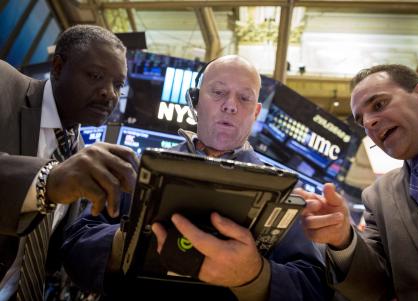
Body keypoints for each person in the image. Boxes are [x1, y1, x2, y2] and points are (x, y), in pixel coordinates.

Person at [62, 55, 332, 301]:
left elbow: (313, 287)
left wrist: (255, 276)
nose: (230, 106)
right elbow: (75, 251)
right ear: (195, 99)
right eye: (218, 92)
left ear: (256, 112)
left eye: (244, 98)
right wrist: (128, 241)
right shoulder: (138, 169)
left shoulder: (283, 193)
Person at [0, 24, 138, 301]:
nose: (109, 93)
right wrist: (48, 181)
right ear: (59, 67)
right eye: (96, 76)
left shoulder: (79, 154)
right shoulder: (4, 84)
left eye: (118, 84)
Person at [298, 64, 418, 300]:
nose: (369, 123)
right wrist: (342, 239)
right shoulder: (378, 197)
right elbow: (374, 287)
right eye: (361, 120)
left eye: (378, 105)